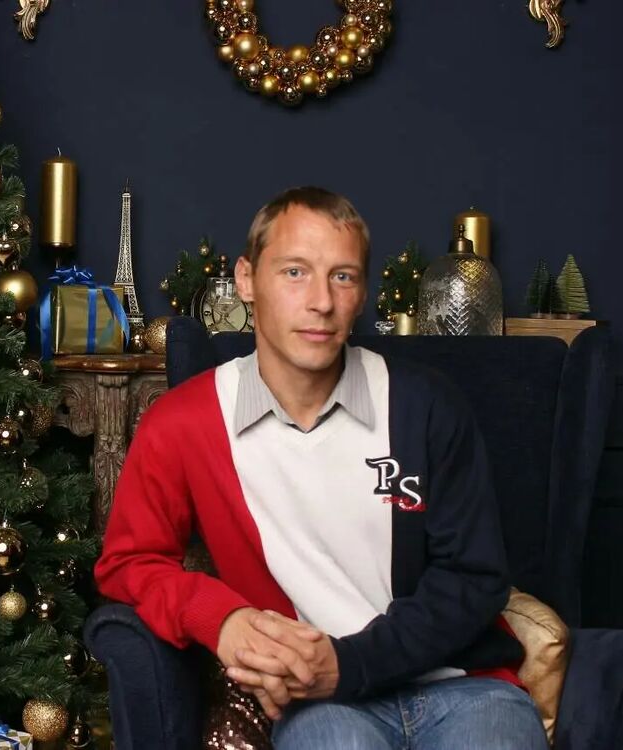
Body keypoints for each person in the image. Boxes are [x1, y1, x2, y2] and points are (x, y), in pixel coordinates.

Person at [94, 187, 548, 749]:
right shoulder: (183, 422)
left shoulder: (425, 405)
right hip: (319, 706)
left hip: (464, 686)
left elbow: (475, 579)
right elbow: (128, 562)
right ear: (246, 279)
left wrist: (350, 663)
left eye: (342, 277)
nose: (321, 302)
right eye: (294, 272)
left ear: (362, 293)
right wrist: (221, 618)